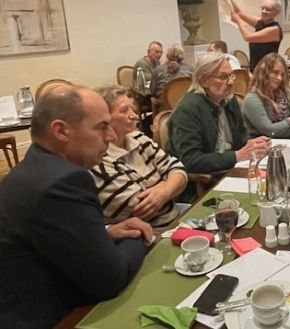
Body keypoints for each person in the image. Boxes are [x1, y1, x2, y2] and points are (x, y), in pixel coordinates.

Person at [0, 85, 153, 328]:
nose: (111, 136)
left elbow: (53, 240)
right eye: (101, 126)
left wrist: (106, 233)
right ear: (61, 130)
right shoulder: (63, 181)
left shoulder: (36, 166)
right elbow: (110, 280)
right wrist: (139, 236)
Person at [91, 85, 187, 229]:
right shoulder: (98, 160)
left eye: (133, 109)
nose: (134, 115)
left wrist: (165, 190)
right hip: (148, 233)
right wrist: (168, 183)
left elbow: (178, 169)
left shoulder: (138, 138)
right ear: (104, 118)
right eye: (124, 110)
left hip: (177, 217)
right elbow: (142, 207)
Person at [166, 53, 270, 179]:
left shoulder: (230, 100)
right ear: (204, 81)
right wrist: (237, 156)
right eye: (223, 77)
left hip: (231, 169)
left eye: (231, 75)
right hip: (205, 180)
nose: (231, 82)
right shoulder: (188, 109)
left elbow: (241, 138)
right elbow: (191, 160)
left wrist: (253, 144)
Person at [242, 53, 290, 139]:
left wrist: (277, 132)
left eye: (282, 75)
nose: (279, 78)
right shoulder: (252, 99)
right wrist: (289, 121)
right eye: (275, 73)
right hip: (262, 144)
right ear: (264, 73)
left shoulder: (288, 94)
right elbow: (269, 131)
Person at [229, 0, 283, 72]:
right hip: (256, 69)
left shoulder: (274, 29)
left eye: (268, 9)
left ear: (276, 12)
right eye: (262, 8)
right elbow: (239, 13)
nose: (264, 11)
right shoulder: (260, 23)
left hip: (267, 70)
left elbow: (248, 37)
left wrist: (238, 21)